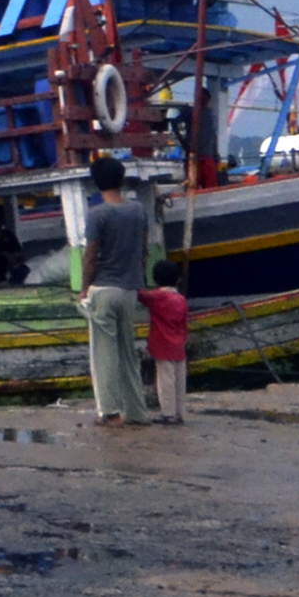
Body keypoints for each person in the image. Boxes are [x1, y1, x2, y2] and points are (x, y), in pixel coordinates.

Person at [79, 157, 156, 426]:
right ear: (122, 179)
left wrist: (84, 288)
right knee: (128, 352)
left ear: (96, 183)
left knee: (104, 355)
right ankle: (137, 411)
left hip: (103, 289)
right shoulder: (137, 211)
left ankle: (110, 412)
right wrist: (139, 279)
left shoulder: (97, 214)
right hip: (129, 290)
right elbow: (144, 250)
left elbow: (91, 256)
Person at [141, 258, 189, 423]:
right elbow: (184, 324)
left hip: (162, 345)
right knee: (179, 381)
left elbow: (140, 295)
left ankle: (168, 414)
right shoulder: (181, 300)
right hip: (179, 346)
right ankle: (179, 412)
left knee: (165, 381)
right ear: (178, 280)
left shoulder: (156, 297)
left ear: (155, 279)